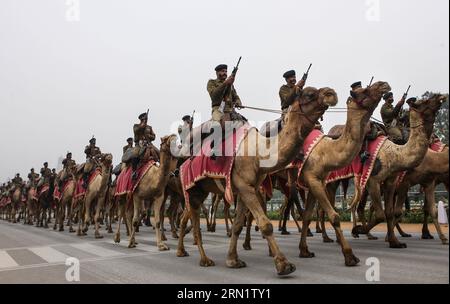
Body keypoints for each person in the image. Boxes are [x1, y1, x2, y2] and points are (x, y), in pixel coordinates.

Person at [130, 112, 160, 180]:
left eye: (146, 118)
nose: (146, 119)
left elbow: (154, 136)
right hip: (139, 145)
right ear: (141, 119)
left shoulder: (149, 127)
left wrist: (149, 136)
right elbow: (137, 130)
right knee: (135, 155)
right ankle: (134, 172)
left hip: (148, 144)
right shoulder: (136, 126)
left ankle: (165, 170)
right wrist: (143, 122)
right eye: (144, 118)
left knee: (159, 152)